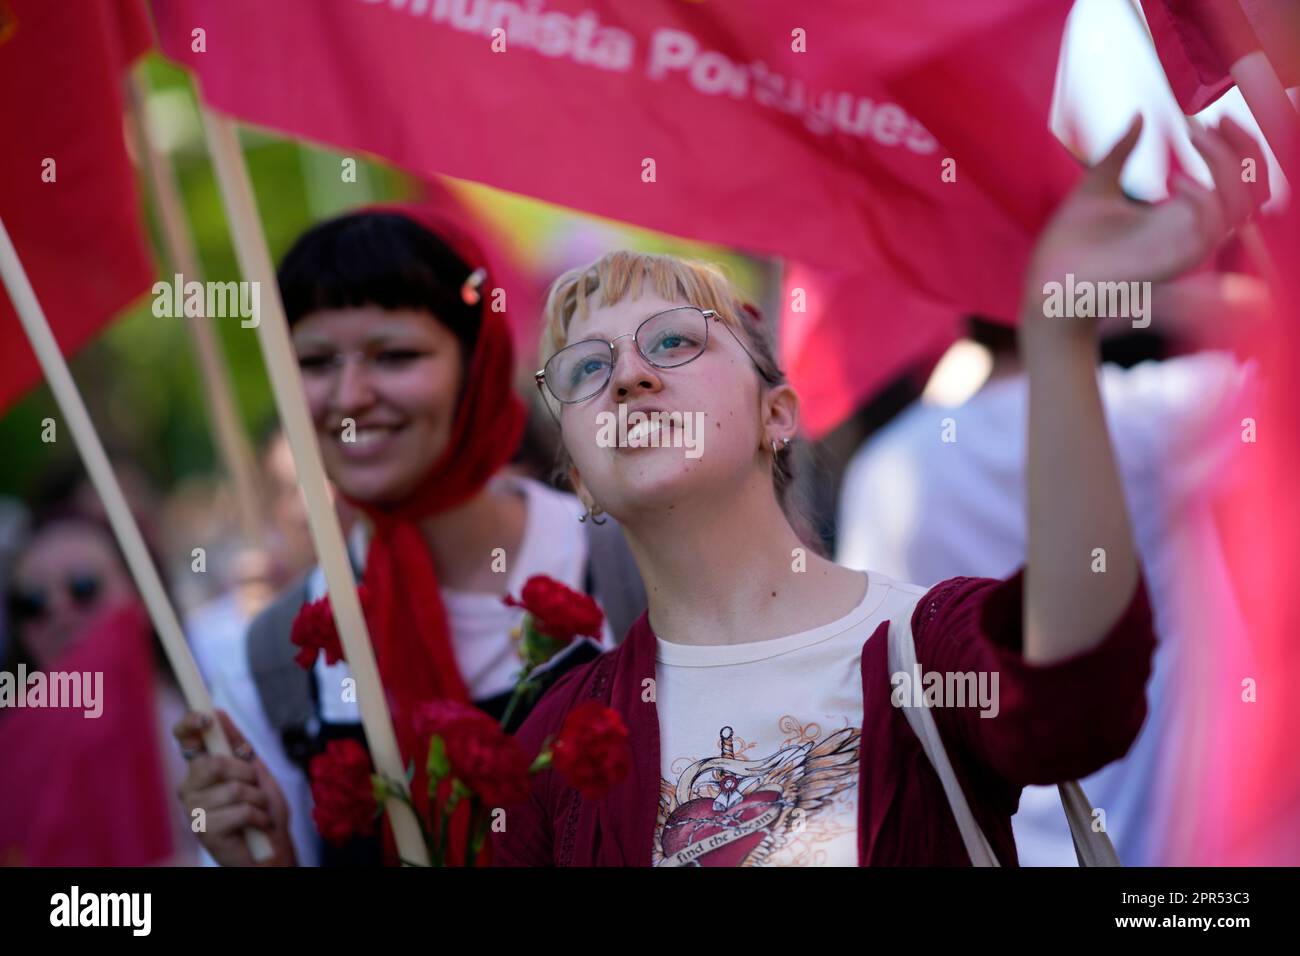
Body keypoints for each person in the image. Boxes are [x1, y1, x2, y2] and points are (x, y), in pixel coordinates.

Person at [493, 115, 1267, 866]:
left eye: (674, 339)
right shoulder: (555, 750)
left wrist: (1058, 332)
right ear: (576, 478)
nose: (629, 376)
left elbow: (1072, 696)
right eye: (585, 368)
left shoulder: (924, 648)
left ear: (777, 414)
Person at [172, 209, 645, 867]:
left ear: (475, 364)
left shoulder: (635, 566)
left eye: (395, 355)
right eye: (313, 362)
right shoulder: (271, 662)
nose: (350, 395)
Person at [837, 318, 1256, 865]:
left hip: (1000, 832)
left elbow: (864, 665)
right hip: (1184, 839)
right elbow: (1275, 358)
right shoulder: (1148, 413)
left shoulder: (888, 465)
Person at [4, 506, 201, 865]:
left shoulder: (201, 723)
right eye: (32, 602)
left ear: (143, 598)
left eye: (83, 587)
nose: (60, 612)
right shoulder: (11, 754)